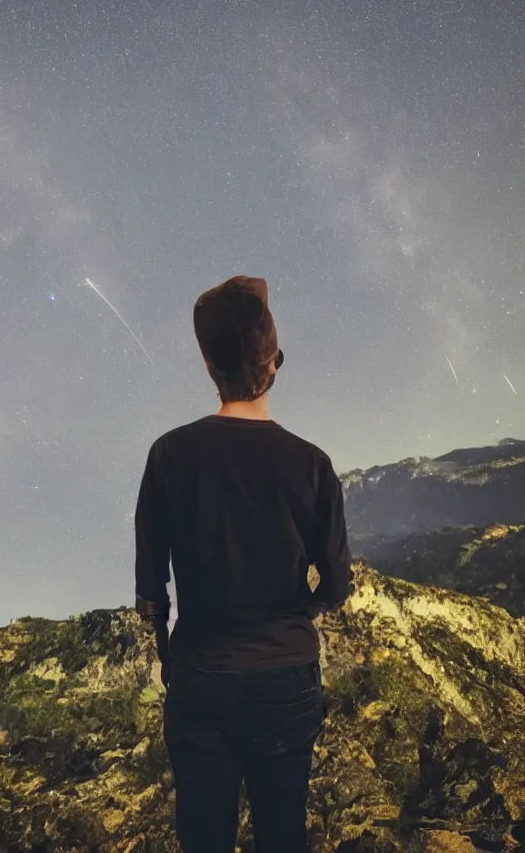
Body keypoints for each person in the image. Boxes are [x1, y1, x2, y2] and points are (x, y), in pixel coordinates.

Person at [134, 275, 352, 853]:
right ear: (273, 363)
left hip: (201, 677)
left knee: (203, 839)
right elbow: (336, 583)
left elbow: (151, 590)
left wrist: (173, 657)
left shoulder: (169, 455)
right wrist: (296, 616)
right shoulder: (312, 465)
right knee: (283, 835)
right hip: (285, 679)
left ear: (210, 365)